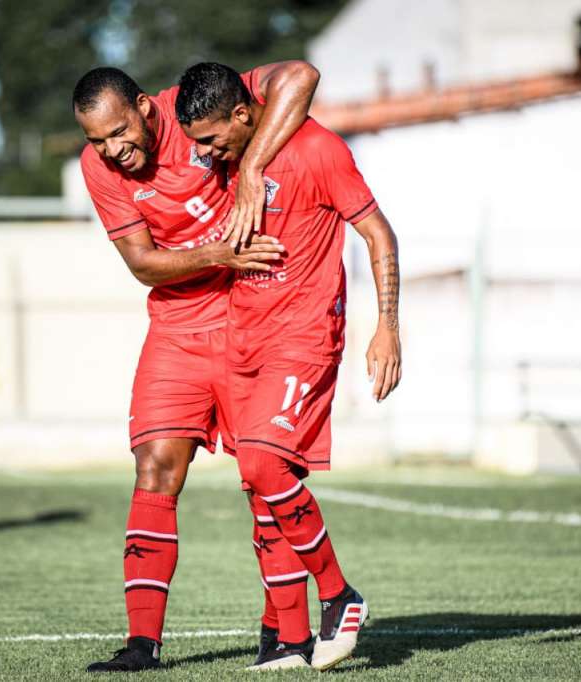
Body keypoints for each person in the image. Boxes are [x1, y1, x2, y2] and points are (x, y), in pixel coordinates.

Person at [72, 60, 319, 673]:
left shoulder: (194, 108)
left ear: (145, 107)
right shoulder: (97, 169)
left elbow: (300, 75)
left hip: (250, 317)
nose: (112, 150)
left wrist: (251, 168)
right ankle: (141, 645)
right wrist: (218, 253)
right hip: (177, 328)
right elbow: (143, 264)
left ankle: (286, 633)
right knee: (154, 466)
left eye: (119, 132)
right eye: (98, 140)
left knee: (264, 477)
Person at [175, 61, 402, 671]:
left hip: (303, 338)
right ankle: (289, 642)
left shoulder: (319, 150)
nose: (205, 153)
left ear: (242, 114)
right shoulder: (230, 159)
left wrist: (387, 325)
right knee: (260, 489)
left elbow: (379, 234)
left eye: (211, 139)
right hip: (244, 340)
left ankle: (339, 595)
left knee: (264, 463)